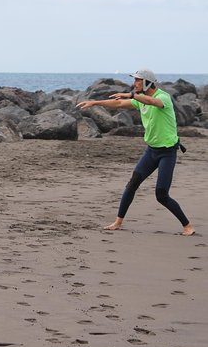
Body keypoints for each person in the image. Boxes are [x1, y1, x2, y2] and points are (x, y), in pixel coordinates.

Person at [76, 69, 196, 236]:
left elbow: (153, 102)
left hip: (167, 152)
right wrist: (95, 103)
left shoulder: (163, 97)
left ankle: (188, 226)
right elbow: (118, 104)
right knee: (132, 184)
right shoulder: (140, 100)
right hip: (151, 151)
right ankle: (118, 222)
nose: (135, 84)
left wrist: (131, 95)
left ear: (147, 82)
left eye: (138, 81)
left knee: (161, 195)